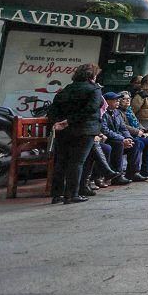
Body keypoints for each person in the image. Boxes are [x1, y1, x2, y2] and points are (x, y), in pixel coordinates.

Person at [47, 63, 105, 204]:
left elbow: (53, 109)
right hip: (85, 130)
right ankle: (72, 194)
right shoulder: (94, 90)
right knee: (77, 162)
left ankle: (57, 194)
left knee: (61, 162)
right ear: (92, 76)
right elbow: (91, 109)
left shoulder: (65, 90)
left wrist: (57, 123)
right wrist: (69, 121)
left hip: (64, 131)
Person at [101, 93, 148, 181]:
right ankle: (117, 176)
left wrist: (129, 138)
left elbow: (123, 128)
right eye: (115, 100)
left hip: (119, 137)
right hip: (109, 139)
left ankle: (133, 173)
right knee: (118, 145)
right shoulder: (103, 113)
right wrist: (122, 139)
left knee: (136, 143)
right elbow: (106, 130)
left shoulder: (116, 112)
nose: (117, 102)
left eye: (118, 100)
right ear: (107, 102)